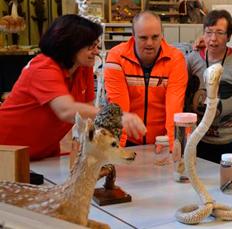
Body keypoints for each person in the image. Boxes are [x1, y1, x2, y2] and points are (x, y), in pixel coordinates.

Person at [0, 15, 146, 160]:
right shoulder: (42, 67)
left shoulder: (83, 68)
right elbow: (66, 110)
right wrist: (116, 117)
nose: (96, 51)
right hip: (7, 152)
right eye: (91, 46)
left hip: (44, 153)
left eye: (97, 45)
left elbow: (87, 117)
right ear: (71, 45)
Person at [186, 9, 232, 165]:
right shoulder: (192, 59)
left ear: (228, 36)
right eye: (209, 32)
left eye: (220, 33)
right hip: (199, 140)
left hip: (229, 144)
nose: (213, 39)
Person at [104, 11, 188, 147]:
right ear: (133, 36)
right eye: (143, 38)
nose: (150, 43)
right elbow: (120, 111)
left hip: (162, 141)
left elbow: (175, 107)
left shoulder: (175, 59)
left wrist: (173, 148)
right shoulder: (116, 57)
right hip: (128, 141)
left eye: (155, 37)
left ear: (162, 34)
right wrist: (116, 151)